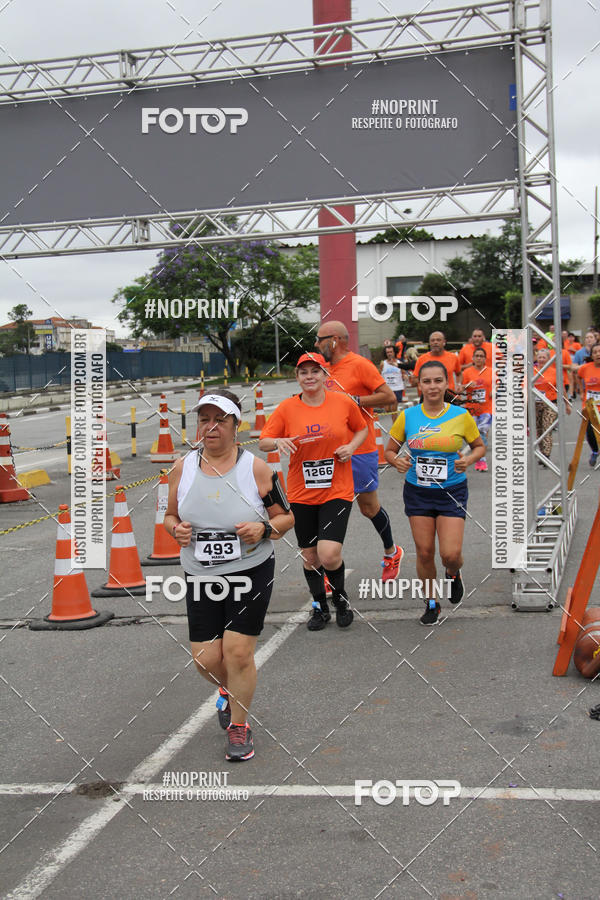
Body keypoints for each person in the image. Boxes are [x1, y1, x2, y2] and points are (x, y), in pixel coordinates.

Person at [165, 389, 294, 762]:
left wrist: (263, 529)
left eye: (220, 420)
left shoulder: (256, 469)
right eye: (204, 420)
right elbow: (170, 516)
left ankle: (239, 726)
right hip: (200, 573)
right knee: (206, 659)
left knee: (237, 653)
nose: (211, 427)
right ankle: (229, 689)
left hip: (250, 570)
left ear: (237, 425)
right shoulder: (181, 468)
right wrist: (176, 531)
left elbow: (287, 518)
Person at [259, 352, 368, 630]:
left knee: (328, 554)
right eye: (303, 372)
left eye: (315, 371)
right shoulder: (287, 408)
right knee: (310, 556)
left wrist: (351, 447)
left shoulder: (342, 402)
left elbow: (362, 429)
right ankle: (319, 607)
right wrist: (278, 441)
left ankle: (340, 598)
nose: (309, 377)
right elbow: (263, 441)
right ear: (297, 377)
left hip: (337, 490)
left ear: (325, 375)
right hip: (301, 493)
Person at [384, 361, 485, 625]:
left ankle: (453, 573)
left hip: (451, 490)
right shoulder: (408, 416)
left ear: (446, 383)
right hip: (418, 492)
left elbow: (479, 446)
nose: (432, 386)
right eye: (427, 381)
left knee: (450, 554)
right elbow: (389, 451)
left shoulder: (460, 416)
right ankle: (431, 602)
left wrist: (469, 459)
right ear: (419, 385)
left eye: (438, 381)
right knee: (425, 551)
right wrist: (396, 462)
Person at [314, 322, 405, 580]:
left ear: (334, 340)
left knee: (368, 507)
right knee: (328, 508)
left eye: (319, 339)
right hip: (329, 452)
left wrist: (354, 401)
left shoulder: (360, 365)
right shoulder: (323, 369)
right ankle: (328, 569)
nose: (316, 345)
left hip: (360, 450)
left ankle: (391, 551)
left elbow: (389, 397)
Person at [533, 347, 571, 460]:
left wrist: (567, 404)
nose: (541, 359)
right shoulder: (531, 371)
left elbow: (561, 389)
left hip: (550, 404)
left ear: (548, 359)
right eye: (539, 357)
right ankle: (542, 452)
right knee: (539, 430)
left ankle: (546, 454)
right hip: (536, 404)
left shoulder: (554, 373)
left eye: (544, 357)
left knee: (547, 428)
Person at [461, 347, 494, 472]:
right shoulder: (467, 372)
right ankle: (480, 458)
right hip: (472, 409)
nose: (479, 358)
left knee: (481, 431)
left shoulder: (491, 371)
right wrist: (467, 385)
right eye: (477, 356)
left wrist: (494, 391)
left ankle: (481, 460)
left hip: (487, 408)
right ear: (473, 358)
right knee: (475, 435)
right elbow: (460, 389)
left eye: (481, 356)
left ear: (485, 359)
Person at [573, 342, 600, 466]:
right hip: (589, 406)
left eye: (599, 352)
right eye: (595, 352)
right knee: (590, 432)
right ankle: (595, 451)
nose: (598, 354)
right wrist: (581, 390)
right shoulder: (585, 368)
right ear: (592, 355)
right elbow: (577, 376)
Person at [380, 345, 405, 411]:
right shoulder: (383, 363)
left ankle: (395, 418)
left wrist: (404, 376)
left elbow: (403, 374)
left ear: (394, 352)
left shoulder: (399, 363)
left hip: (397, 388)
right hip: (387, 388)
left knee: (394, 409)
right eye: (387, 352)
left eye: (391, 352)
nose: (389, 354)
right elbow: (379, 375)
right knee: (387, 409)